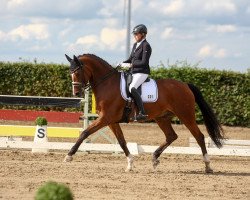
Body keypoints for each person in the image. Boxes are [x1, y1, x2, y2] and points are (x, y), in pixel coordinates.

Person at [120, 24, 152, 120]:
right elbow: (130, 59)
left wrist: (131, 65)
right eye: (134, 34)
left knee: (132, 88)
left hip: (142, 72)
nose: (135, 36)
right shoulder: (135, 45)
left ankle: (142, 112)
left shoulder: (146, 46)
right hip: (133, 72)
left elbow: (144, 62)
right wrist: (122, 63)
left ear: (143, 34)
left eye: (136, 34)